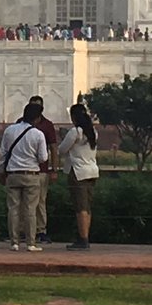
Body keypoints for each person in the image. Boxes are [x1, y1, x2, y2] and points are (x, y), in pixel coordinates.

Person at [0, 102, 48, 252]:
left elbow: (3, 154)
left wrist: (1, 171)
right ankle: (31, 243)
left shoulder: (10, 131)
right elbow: (43, 158)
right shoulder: (38, 134)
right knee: (30, 209)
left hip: (13, 174)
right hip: (31, 174)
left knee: (13, 208)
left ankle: (14, 242)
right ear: (37, 118)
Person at [58, 103, 99, 250]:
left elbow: (62, 150)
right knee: (87, 207)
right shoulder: (93, 131)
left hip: (78, 172)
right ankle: (85, 236)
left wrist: (63, 137)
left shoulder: (75, 132)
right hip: (92, 171)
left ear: (74, 117)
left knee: (80, 207)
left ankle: (83, 239)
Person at [26, 94, 58, 244]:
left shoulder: (47, 125)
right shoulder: (20, 124)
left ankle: (41, 230)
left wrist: (54, 169)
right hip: (23, 168)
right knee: (22, 202)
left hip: (41, 170)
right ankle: (21, 231)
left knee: (40, 201)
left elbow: (53, 147)